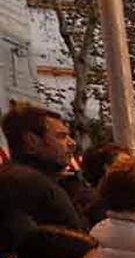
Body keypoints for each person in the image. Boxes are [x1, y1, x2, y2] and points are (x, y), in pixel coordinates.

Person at [0, 103, 84, 245]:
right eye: (61, 136)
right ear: (32, 141)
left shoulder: (13, 178)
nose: (72, 143)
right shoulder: (36, 186)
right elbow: (75, 248)